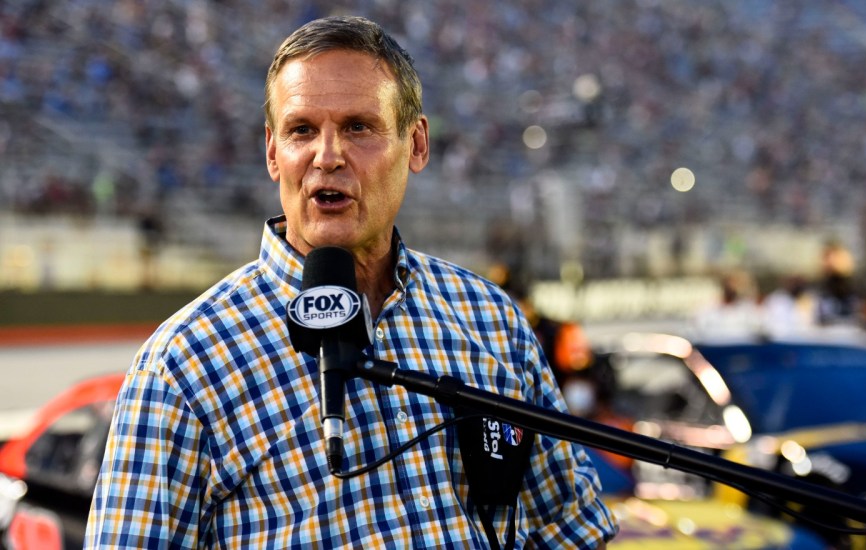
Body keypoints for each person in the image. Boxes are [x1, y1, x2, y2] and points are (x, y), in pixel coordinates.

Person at [85, 16, 618, 548]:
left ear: (417, 144)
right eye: (301, 131)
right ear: (273, 153)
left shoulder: (490, 320)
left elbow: (570, 526)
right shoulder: (183, 365)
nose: (328, 156)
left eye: (359, 127)